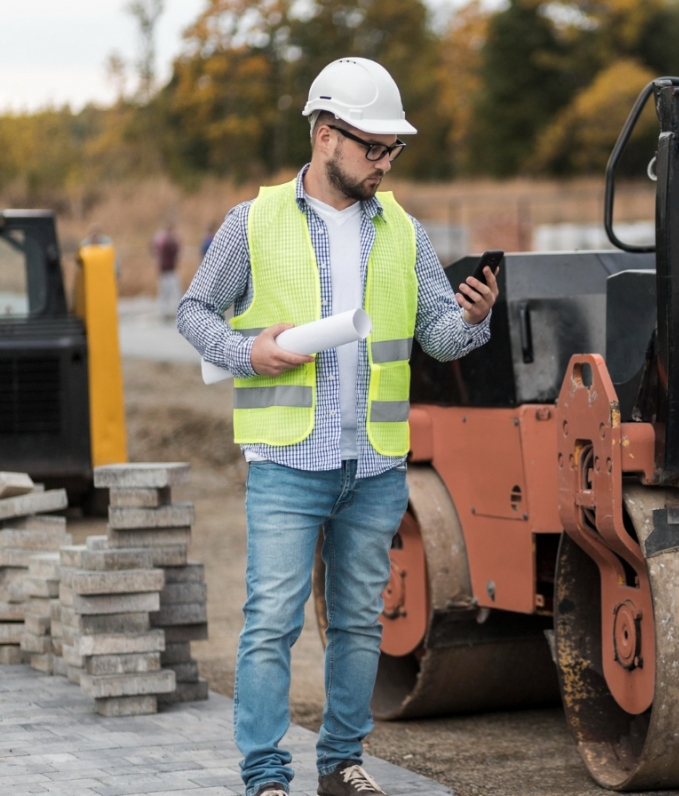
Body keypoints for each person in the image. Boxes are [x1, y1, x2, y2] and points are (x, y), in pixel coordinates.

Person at [177, 57, 499, 796]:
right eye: (373, 148)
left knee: (359, 624)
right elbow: (193, 312)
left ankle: (340, 764)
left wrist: (471, 320)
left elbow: (436, 337)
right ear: (325, 136)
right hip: (289, 459)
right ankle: (264, 776)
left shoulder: (403, 231)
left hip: (376, 464)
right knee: (270, 626)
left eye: (393, 150)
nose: (385, 163)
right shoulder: (251, 221)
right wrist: (244, 352)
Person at [151, 221, 181, 318]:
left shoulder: (160, 240)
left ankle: (169, 311)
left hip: (168, 270)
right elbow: (174, 250)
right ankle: (164, 311)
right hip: (166, 270)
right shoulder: (165, 241)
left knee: (172, 292)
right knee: (167, 292)